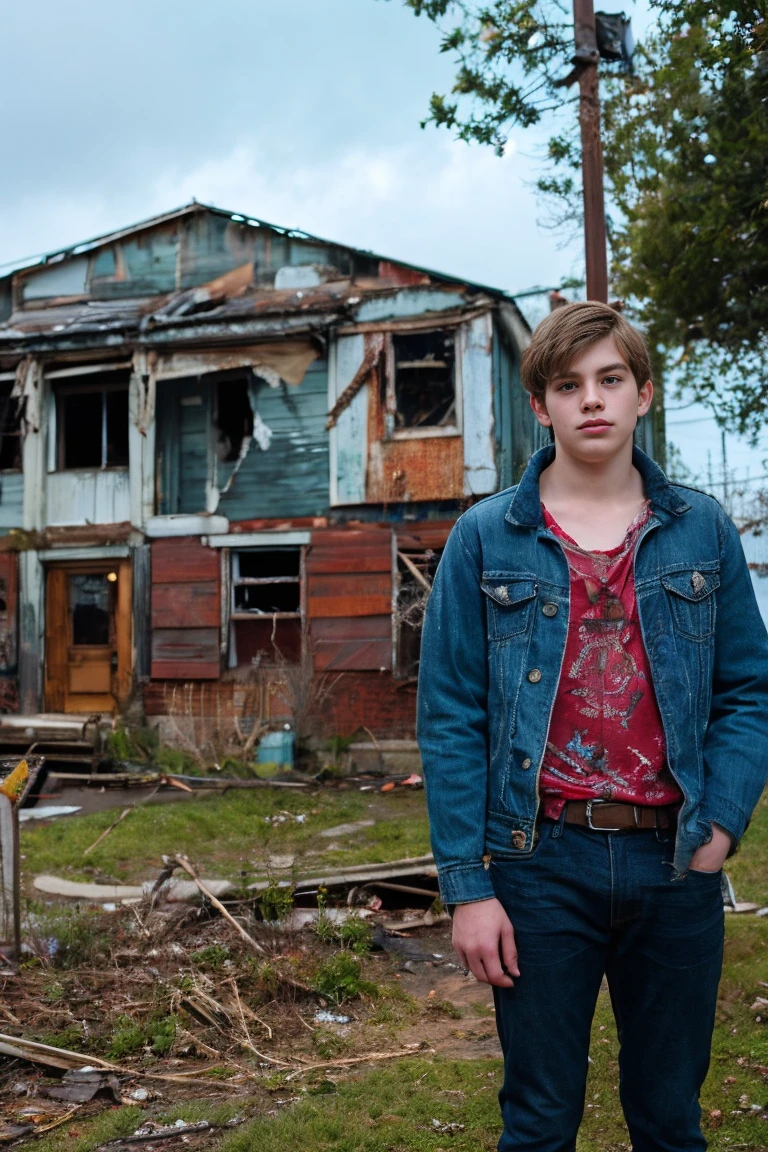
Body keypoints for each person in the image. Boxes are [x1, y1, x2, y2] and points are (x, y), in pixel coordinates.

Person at [417, 301, 768, 1152]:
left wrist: (720, 824)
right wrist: (468, 887)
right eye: (569, 386)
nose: (593, 401)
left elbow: (749, 691)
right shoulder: (484, 540)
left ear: (643, 392)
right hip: (541, 863)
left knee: (671, 1121)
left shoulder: (704, 533)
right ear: (541, 405)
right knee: (537, 1122)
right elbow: (451, 718)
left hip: (675, 861)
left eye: (611, 379)